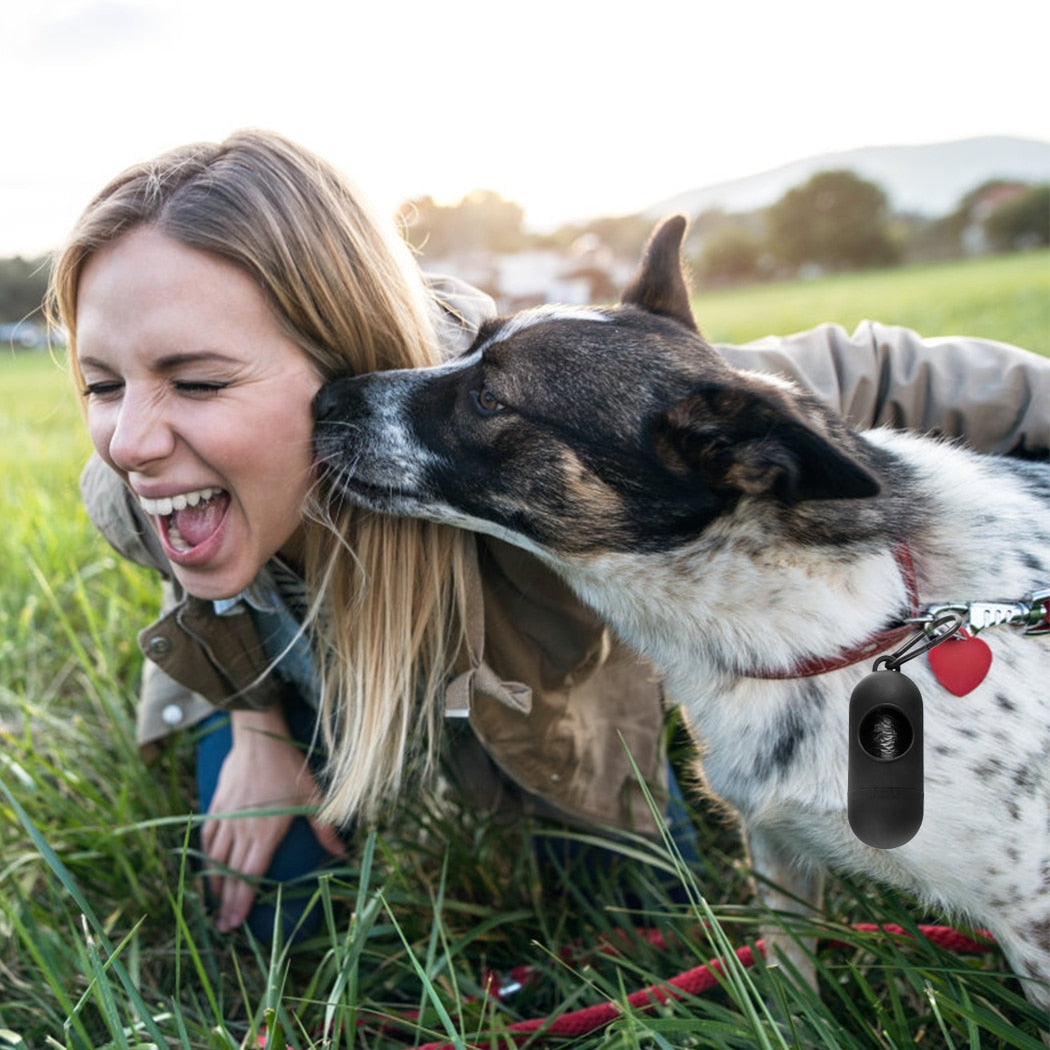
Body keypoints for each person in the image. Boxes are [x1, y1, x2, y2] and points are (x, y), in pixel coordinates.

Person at [50, 129, 1050, 942]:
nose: (132, 440)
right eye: (101, 384)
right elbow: (209, 595)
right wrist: (257, 731)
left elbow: (869, 369)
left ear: (338, 349)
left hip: (536, 699)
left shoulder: (549, 404)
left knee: (634, 923)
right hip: (320, 673)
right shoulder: (134, 492)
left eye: (198, 379)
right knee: (271, 926)